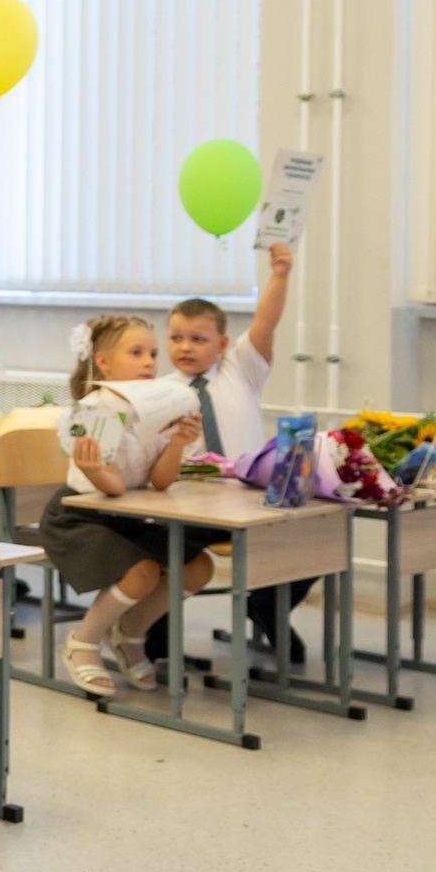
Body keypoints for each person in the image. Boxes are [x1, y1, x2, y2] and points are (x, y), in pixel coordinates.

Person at [36, 315, 210, 696]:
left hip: (128, 512)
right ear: (103, 362)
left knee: (198, 567)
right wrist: (94, 468)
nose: (149, 362)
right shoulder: (93, 409)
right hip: (78, 516)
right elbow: (111, 487)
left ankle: (129, 634)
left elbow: (160, 481)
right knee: (142, 573)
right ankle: (81, 642)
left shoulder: (160, 406)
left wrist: (178, 443)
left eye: (152, 353)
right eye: (136, 353)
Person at [149, 243, 302, 664]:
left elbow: (265, 322)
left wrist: (280, 275)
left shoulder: (240, 370)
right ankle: (153, 631)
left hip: (250, 497)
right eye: (176, 338)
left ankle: (269, 606)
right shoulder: (161, 391)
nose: (186, 347)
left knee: (313, 535)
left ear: (221, 343)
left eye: (198, 339)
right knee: (164, 548)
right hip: (191, 504)